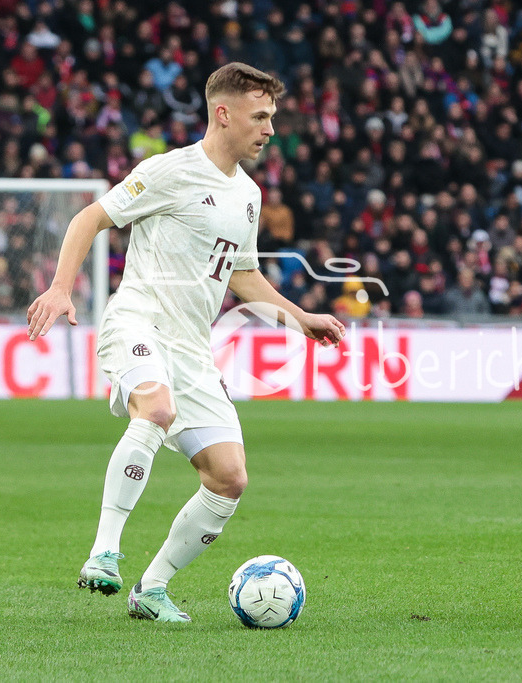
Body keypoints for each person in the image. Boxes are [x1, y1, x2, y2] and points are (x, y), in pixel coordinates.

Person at [26, 62, 345, 623]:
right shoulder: (170, 171)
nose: (270, 129)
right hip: (140, 320)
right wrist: (60, 288)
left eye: (272, 116)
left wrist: (300, 319)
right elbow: (88, 219)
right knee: (156, 406)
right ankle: (104, 551)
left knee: (229, 478)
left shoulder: (249, 195)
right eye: (260, 116)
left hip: (193, 347)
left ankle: (151, 589)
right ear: (223, 113)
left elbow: (243, 275)